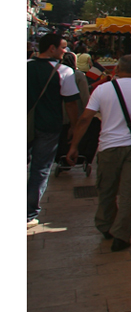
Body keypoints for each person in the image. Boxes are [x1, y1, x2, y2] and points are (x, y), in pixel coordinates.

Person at [65, 55, 131, 251]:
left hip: (108, 147)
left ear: (117, 68)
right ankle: (122, 235)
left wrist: (74, 145)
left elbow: (85, 119)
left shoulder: (102, 89)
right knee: (130, 193)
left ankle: (105, 225)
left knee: (106, 188)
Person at [28, 33, 83, 225]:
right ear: (51, 48)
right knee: (40, 168)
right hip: (49, 126)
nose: (65, 51)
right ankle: (29, 213)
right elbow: (71, 104)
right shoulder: (64, 72)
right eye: (62, 47)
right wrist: (74, 127)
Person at [56, 52, 93, 173]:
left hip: (60, 114)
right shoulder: (79, 75)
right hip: (77, 113)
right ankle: (74, 156)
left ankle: (62, 158)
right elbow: (85, 96)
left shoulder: (56, 74)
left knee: (62, 138)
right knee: (75, 136)